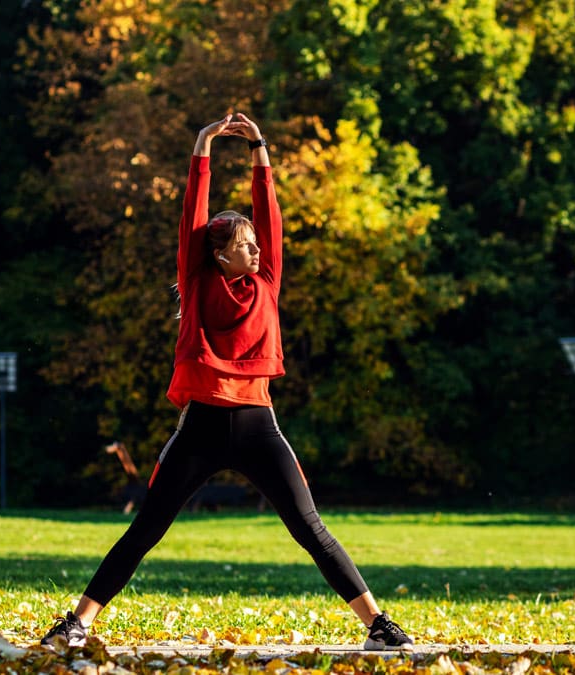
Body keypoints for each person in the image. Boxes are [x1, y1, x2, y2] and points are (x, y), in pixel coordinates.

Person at [41, 113, 414, 651]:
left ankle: (377, 624)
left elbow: (269, 212)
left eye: (256, 243)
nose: (257, 250)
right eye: (245, 245)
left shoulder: (267, 280)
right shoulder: (197, 282)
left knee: (310, 528)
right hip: (201, 427)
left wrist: (259, 147)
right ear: (219, 255)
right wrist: (203, 147)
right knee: (146, 529)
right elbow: (192, 216)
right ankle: (78, 622)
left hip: (259, 425)